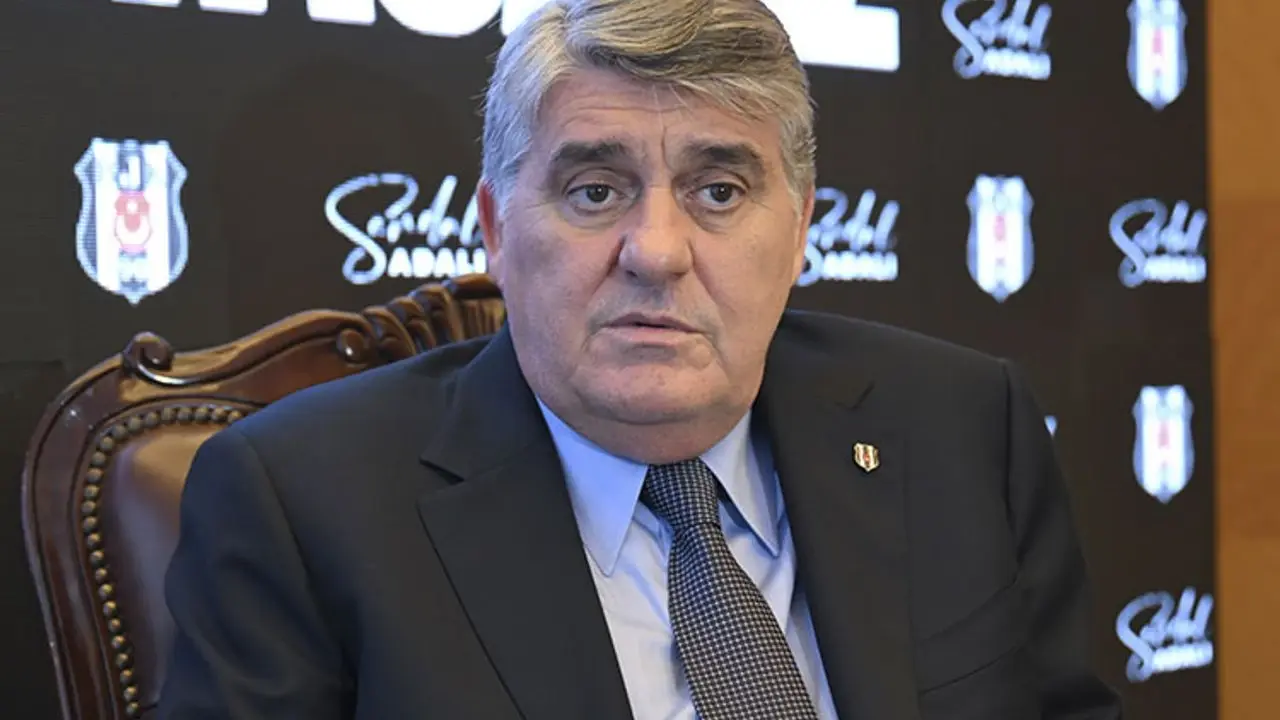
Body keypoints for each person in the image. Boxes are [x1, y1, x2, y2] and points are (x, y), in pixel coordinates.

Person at [157, 0, 1124, 718]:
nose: (656, 251)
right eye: (594, 189)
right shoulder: (303, 505)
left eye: (718, 190)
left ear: (799, 233)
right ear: (496, 228)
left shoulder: (962, 427)